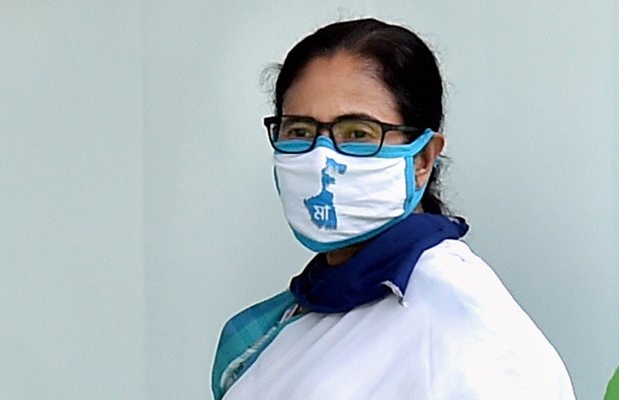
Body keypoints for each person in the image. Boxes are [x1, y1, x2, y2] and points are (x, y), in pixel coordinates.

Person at [212, 18, 576, 399]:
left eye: (358, 133)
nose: (320, 159)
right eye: (299, 131)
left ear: (423, 158)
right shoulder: (300, 310)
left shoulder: (471, 330)